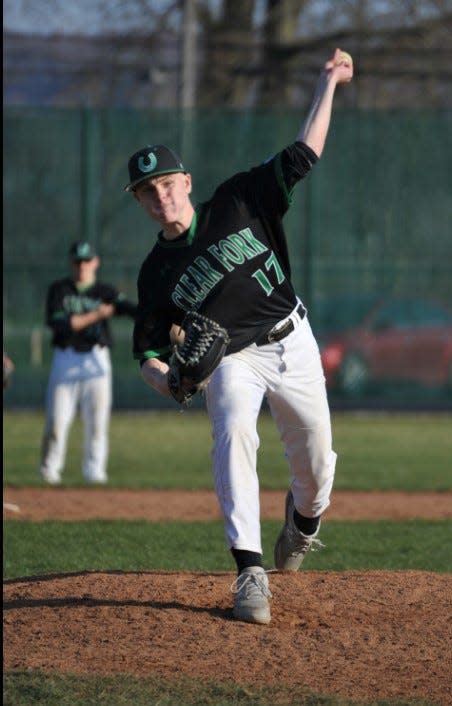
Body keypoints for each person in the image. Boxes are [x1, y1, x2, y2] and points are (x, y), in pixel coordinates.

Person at [127, 48, 353, 625]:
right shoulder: (156, 273)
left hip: (292, 338)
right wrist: (173, 381)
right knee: (232, 435)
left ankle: (302, 525)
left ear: (187, 182)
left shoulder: (239, 198)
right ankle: (249, 571)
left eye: (168, 184)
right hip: (231, 359)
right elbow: (147, 356)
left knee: (318, 466)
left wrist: (328, 82)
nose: (161, 198)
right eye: (148, 192)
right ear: (140, 203)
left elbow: (305, 153)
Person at [39, 241, 137, 485]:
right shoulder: (59, 290)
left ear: (96, 262)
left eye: (87, 260)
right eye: (77, 261)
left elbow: (129, 308)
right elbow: (62, 324)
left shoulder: (105, 291)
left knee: (97, 421)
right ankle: (49, 472)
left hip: (97, 358)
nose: (82, 266)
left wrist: (156, 316)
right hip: (66, 357)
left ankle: (95, 473)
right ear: (70, 263)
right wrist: (98, 314)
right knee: (56, 422)